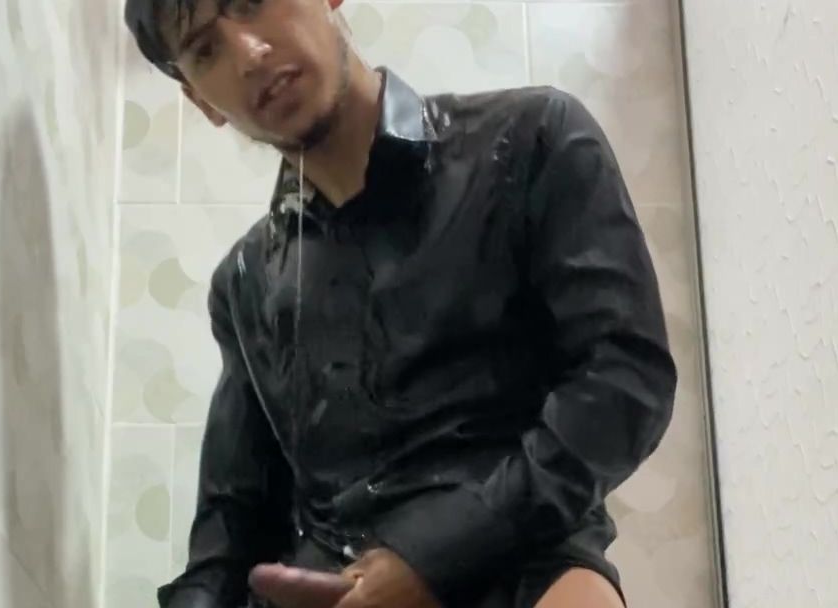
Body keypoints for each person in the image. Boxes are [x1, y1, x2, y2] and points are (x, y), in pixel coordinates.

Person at [124, 0, 677, 606]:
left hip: (526, 559)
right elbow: (232, 526)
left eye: (252, 3)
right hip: (337, 588)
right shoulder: (246, 282)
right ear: (201, 101)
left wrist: (434, 555)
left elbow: (623, 380)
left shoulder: (532, 138)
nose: (249, 53)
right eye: (206, 50)